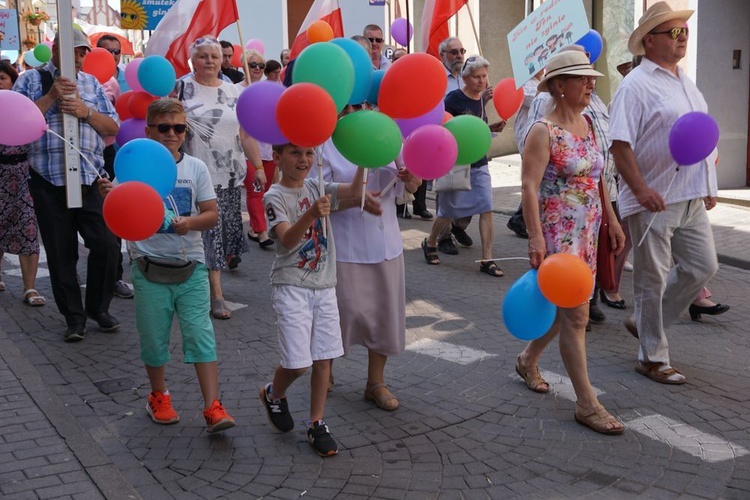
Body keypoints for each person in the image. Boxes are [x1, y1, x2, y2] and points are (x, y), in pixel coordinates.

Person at [98, 99, 235, 434]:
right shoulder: (131, 168)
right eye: (164, 128)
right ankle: (159, 395)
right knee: (154, 340)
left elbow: (212, 214)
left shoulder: (195, 169)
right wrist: (108, 196)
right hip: (148, 267)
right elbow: (119, 218)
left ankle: (212, 406)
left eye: (179, 128)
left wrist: (190, 222)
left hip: (191, 267)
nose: (172, 134)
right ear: (148, 131)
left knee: (201, 336)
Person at [515, 50, 626, 435]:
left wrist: (611, 219)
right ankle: (587, 403)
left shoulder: (589, 123)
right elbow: (528, 186)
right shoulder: (543, 130)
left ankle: (527, 359)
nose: (591, 83)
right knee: (576, 314)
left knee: (565, 309)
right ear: (559, 86)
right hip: (556, 233)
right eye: (582, 78)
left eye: (591, 77)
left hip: (588, 231)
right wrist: (534, 237)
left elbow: (598, 177)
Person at [610, 2, 719, 384]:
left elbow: (698, 133)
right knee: (651, 278)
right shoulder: (635, 85)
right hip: (653, 197)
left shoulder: (684, 81)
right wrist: (640, 189)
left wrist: (708, 184)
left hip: (690, 195)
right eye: (674, 33)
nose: (683, 37)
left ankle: (644, 321)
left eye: (685, 32)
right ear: (649, 41)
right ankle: (652, 358)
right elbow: (620, 144)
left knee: (703, 266)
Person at [14, 29, 121, 342]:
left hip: (89, 177)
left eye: (82, 52)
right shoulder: (31, 80)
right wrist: (51, 97)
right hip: (48, 180)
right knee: (61, 254)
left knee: (106, 244)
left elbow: (112, 125)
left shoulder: (92, 83)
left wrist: (85, 112)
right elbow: (20, 124)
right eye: (72, 50)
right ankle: (74, 318)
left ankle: (98, 308)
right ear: (55, 49)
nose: (77, 57)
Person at [312, 105, 421, 412]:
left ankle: (375, 381)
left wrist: (410, 176)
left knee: (383, 314)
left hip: (385, 242)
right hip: (345, 246)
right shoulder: (327, 143)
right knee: (341, 313)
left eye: (369, 105)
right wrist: (353, 199)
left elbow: (410, 186)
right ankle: (325, 371)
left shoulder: (390, 137)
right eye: (356, 106)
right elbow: (317, 195)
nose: (364, 111)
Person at [259, 143, 364, 457]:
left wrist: (363, 159)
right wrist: (310, 212)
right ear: (277, 157)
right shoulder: (273, 197)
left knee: (324, 358)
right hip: (291, 285)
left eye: (308, 153)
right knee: (298, 363)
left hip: (325, 285)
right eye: (294, 153)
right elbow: (288, 240)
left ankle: (317, 422)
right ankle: (273, 394)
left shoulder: (319, 184)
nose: (304, 160)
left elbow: (356, 191)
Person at [177, 36, 262, 320]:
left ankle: (198, 281)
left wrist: (258, 167)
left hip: (229, 176)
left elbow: (246, 133)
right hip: (195, 174)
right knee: (208, 234)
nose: (210, 61)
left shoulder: (234, 91)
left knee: (222, 234)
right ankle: (216, 294)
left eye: (214, 56)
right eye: (203, 56)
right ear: (193, 60)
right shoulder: (181, 87)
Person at [422, 55, 506, 276]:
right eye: (477, 77)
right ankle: (430, 242)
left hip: (479, 161)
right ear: (466, 78)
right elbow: (444, 128)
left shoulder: (481, 100)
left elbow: (476, 130)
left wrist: (491, 129)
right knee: (448, 211)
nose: (482, 81)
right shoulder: (453, 99)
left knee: (486, 207)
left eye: (484, 76)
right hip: (457, 163)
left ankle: (487, 259)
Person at [0, 60, 45, 306]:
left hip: (23, 178)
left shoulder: (23, 107)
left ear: (12, 80)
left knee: (28, 231)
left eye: (2, 78)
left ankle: (30, 288)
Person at [96, 35, 134, 300]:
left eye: (116, 52)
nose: (112, 56)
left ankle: (116, 276)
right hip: (82, 154)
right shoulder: (81, 79)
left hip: (114, 153)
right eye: (106, 52)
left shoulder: (118, 81)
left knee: (114, 214)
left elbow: (122, 117)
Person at [434, 37, 471, 254]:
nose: (459, 56)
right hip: (444, 139)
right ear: (442, 55)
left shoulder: (467, 77)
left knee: (471, 186)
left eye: (461, 51)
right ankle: (443, 236)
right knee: (447, 188)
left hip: (467, 139)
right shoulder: (437, 77)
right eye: (453, 52)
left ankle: (459, 225)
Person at [237, 49, 276, 249]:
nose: (258, 69)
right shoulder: (236, 90)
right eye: (253, 65)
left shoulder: (268, 90)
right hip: (246, 151)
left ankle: (253, 229)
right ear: (244, 66)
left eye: (262, 66)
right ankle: (262, 232)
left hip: (268, 149)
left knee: (266, 190)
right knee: (255, 192)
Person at [506, 69, 545, 240]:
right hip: (529, 141)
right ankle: (520, 219)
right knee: (533, 182)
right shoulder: (526, 85)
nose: (542, 69)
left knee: (537, 183)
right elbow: (539, 101)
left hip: (541, 142)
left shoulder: (540, 83)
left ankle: (519, 219)